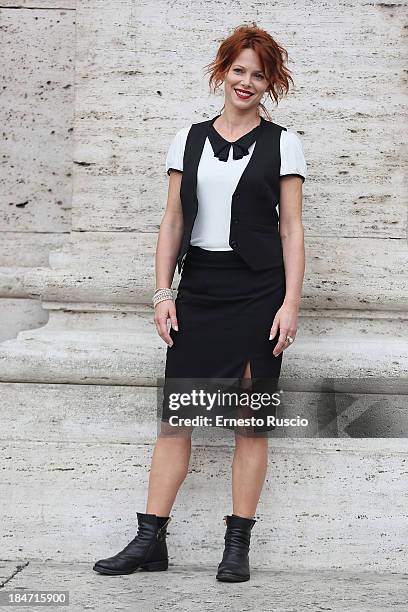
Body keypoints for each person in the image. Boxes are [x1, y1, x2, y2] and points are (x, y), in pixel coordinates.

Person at [93, 22, 306, 583]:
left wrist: (291, 304)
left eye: (258, 75)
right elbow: (172, 221)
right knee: (176, 419)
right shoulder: (186, 140)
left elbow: (293, 231)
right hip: (200, 290)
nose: (246, 81)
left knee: (249, 423)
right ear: (223, 71)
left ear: (270, 83)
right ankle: (149, 540)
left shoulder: (284, 142)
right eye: (239, 70)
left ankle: (236, 545)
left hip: (259, 294)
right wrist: (164, 292)